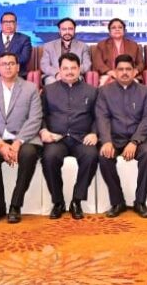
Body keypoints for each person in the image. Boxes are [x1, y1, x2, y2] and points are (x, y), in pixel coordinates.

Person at [0, 52, 43, 224]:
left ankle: (16, 205)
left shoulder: (30, 88)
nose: (8, 67)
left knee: (29, 154)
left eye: (12, 63)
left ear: (18, 67)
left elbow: (35, 118)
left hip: (23, 138)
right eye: (4, 64)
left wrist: (18, 142)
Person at [39, 52, 99, 220]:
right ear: (59, 70)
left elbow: (99, 117)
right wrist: (43, 131)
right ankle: (58, 201)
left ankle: (76, 201)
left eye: (73, 68)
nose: (70, 71)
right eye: (65, 68)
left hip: (82, 139)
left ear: (79, 69)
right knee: (49, 157)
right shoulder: (48, 90)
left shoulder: (92, 91)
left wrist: (94, 133)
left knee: (91, 155)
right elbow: (40, 115)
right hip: (56, 138)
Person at [96, 54, 147, 218]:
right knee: (104, 156)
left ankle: (140, 201)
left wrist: (135, 141)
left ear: (135, 71)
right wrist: (106, 141)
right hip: (114, 138)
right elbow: (102, 117)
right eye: (120, 69)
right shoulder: (104, 92)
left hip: (138, 139)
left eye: (128, 69)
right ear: (115, 71)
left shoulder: (145, 91)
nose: (124, 73)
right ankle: (118, 202)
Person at [0, 12, 32, 84]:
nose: (8, 24)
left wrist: (4, 63)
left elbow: (24, 58)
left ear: (16, 24)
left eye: (11, 22)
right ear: (1, 25)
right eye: (5, 22)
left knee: (19, 84)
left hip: (17, 74)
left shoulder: (24, 39)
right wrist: (3, 67)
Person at [92, 18, 144, 86]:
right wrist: (110, 72)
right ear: (109, 32)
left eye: (120, 27)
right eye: (113, 28)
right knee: (106, 87)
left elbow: (141, 63)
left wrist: (135, 71)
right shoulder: (102, 45)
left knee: (134, 87)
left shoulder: (133, 45)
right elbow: (98, 63)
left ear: (124, 31)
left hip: (129, 75)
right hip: (109, 75)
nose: (117, 29)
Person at [40, 17, 91, 86]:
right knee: (52, 82)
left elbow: (87, 65)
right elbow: (44, 65)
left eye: (70, 29)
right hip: (54, 76)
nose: (67, 32)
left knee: (74, 81)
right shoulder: (49, 46)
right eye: (64, 29)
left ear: (74, 30)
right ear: (59, 31)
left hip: (75, 75)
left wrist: (72, 72)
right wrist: (57, 73)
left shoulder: (83, 46)